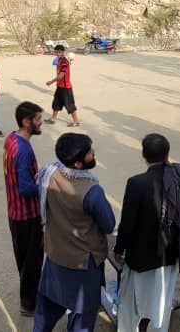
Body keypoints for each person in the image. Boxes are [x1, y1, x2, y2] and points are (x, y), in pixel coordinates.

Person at [114, 134, 180, 332]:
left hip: (141, 256)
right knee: (162, 302)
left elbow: (127, 224)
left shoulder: (137, 183)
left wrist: (119, 249)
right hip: (170, 252)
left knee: (130, 305)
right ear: (167, 154)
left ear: (144, 155)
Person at [33, 133, 114, 332]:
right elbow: (109, 224)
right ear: (78, 163)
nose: (94, 153)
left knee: (47, 307)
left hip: (56, 255)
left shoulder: (49, 174)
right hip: (83, 265)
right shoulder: (92, 190)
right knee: (82, 318)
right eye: (90, 152)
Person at [4, 101, 45, 317]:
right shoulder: (24, 150)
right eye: (37, 119)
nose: (41, 123)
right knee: (32, 262)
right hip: (27, 215)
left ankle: (30, 298)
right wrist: (46, 184)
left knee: (24, 258)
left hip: (14, 211)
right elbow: (26, 187)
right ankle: (29, 305)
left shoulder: (11, 139)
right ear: (26, 122)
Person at [45, 45, 80, 127]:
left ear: (63, 52)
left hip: (66, 87)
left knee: (69, 105)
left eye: (59, 52)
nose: (57, 53)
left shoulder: (64, 61)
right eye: (56, 52)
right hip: (60, 86)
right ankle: (53, 119)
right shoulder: (59, 60)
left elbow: (61, 75)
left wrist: (51, 82)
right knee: (56, 103)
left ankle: (76, 121)